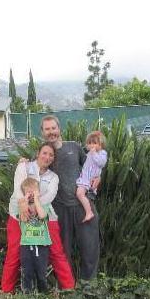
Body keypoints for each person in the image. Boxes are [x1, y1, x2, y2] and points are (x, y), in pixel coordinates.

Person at [0, 142, 75, 293]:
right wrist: (23, 205)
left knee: (56, 252)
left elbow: (50, 195)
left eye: (51, 155)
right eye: (45, 153)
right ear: (38, 153)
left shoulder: (53, 177)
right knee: (14, 254)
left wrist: (34, 207)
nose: (47, 157)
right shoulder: (24, 167)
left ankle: (70, 290)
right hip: (18, 217)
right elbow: (18, 188)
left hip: (44, 217)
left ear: (53, 159)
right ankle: (5, 293)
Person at [40, 115, 101, 280]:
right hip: (59, 210)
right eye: (47, 129)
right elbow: (32, 172)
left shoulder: (73, 146)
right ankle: (66, 292)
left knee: (90, 250)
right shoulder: (43, 154)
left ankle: (89, 289)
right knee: (62, 254)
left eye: (53, 128)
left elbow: (91, 164)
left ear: (59, 129)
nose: (51, 132)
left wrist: (98, 177)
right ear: (43, 132)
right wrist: (23, 161)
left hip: (83, 206)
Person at [17, 178, 52, 292]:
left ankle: (44, 295)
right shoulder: (22, 207)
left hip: (42, 245)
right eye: (28, 192)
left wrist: (36, 199)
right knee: (27, 272)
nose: (31, 194)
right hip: (26, 245)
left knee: (41, 273)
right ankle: (27, 296)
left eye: (34, 191)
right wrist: (25, 201)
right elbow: (24, 217)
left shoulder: (44, 205)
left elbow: (41, 215)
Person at [76, 131, 108, 223]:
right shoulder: (89, 153)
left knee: (79, 194)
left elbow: (101, 163)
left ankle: (89, 212)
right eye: (89, 143)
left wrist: (94, 154)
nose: (91, 145)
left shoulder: (102, 153)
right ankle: (88, 211)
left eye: (94, 143)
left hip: (89, 179)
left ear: (101, 144)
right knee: (81, 194)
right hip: (85, 178)